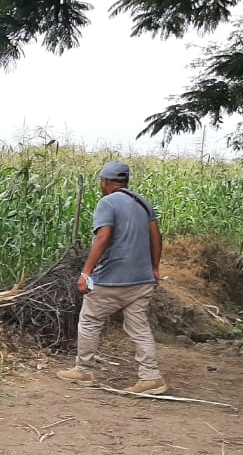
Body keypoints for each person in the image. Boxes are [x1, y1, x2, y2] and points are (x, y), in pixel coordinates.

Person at [57, 160, 167, 394]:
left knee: (90, 319)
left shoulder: (107, 203)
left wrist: (86, 271)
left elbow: (103, 237)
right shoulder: (143, 203)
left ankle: (83, 370)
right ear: (125, 182)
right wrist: (154, 268)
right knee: (139, 327)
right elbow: (156, 237)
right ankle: (151, 377)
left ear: (105, 182)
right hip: (142, 279)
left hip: (111, 279)